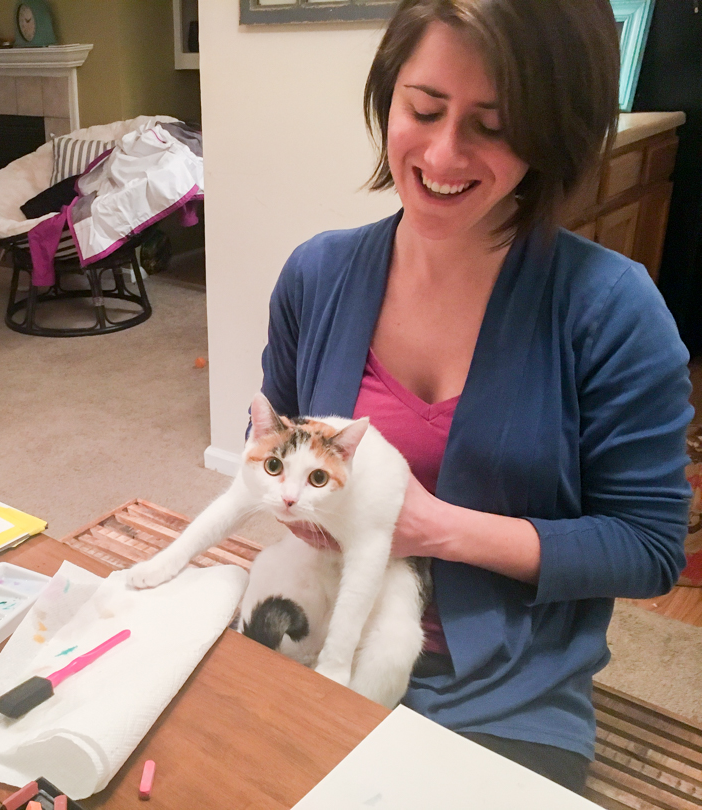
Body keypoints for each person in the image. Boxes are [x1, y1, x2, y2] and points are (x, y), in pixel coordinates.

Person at [259, 0, 691, 793]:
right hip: (319, 642)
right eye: (424, 109)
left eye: (493, 127)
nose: (443, 153)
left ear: (553, 133)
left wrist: (435, 530)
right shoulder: (315, 278)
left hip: (504, 699)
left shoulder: (612, 312)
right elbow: (274, 440)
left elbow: (648, 548)